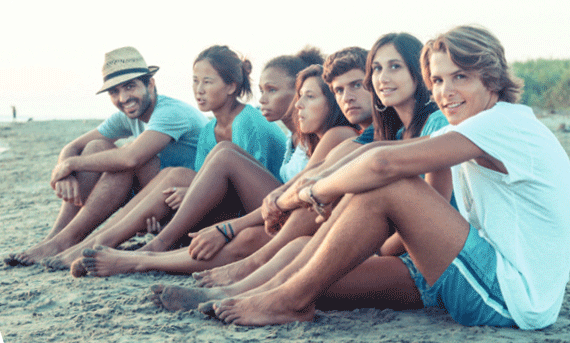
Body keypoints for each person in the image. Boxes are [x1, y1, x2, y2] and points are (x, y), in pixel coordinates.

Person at [181, 25, 570, 329]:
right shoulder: (474, 127)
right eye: (438, 80)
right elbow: (377, 154)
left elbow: (384, 167)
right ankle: (263, 290)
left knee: (390, 183)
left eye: (461, 77)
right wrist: (302, 200)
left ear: (491, 77)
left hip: (512, 299)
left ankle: (290, 299)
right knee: (328, 260)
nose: (445, 92)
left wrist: (307, 194)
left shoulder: (502, 124)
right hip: (478, 272)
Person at [185, 35, 449, 290]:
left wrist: (377, 247)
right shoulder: (393, 131)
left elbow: (430, 211)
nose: (383, 78)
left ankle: (244, 280)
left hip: (427, 263)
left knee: (297, 261)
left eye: (394, 67)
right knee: (298, 247)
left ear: (418, 71)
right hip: (392, 247)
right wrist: (284, 198)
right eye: (377, 69)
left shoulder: (434, 125)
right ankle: (238, 285)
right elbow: (326, 170)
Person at [77, 62, 364, 277]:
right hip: (273, 211)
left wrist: (228, 227)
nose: (298, 105)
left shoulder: (336, 135)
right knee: (194, 174)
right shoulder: (302, 138)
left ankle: (146, 254)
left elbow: (294, 192)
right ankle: (132, 248)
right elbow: (210, 179)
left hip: (283, 216)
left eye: (309, 97)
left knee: (226, 162)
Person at [40, 45, 290, 270]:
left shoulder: (248, 121)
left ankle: (137, 245)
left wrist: (190, 191)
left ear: (231, 86)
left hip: (261, 213)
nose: (198, 90)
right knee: (165, 173)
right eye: (195, 81)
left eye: (207, 82)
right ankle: (91, 242)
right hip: (220, 209)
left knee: (180, 173)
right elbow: (208, 180)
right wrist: (191, 192)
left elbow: (257, 194)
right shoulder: (208, 130)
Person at [5, 47, 208, 266]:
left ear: (150, 83)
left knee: (128, 159)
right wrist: (64, 171)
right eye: (114, 92)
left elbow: (131, 158)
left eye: (130, 86)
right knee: (96, 146)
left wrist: (71, 164)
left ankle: (71, 239)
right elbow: (74, 146)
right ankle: (57, 237)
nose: (123, 98)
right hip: (162, 197)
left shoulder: (170, 112)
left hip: (193, 200)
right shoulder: (130, 114)